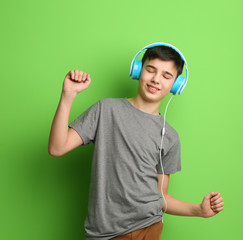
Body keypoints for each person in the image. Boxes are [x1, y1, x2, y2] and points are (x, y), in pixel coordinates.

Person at [48, 43, 224, 240]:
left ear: (176, 85)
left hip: (148, 228)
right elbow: (57, 147)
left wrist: (198, 210)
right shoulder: (105, 109)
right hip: (104, 233)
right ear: (138, 70)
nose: (156, 79)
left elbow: (161, 197)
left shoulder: (170, 136)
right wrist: (67, 96)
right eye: (151, 70)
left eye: (167, 76)